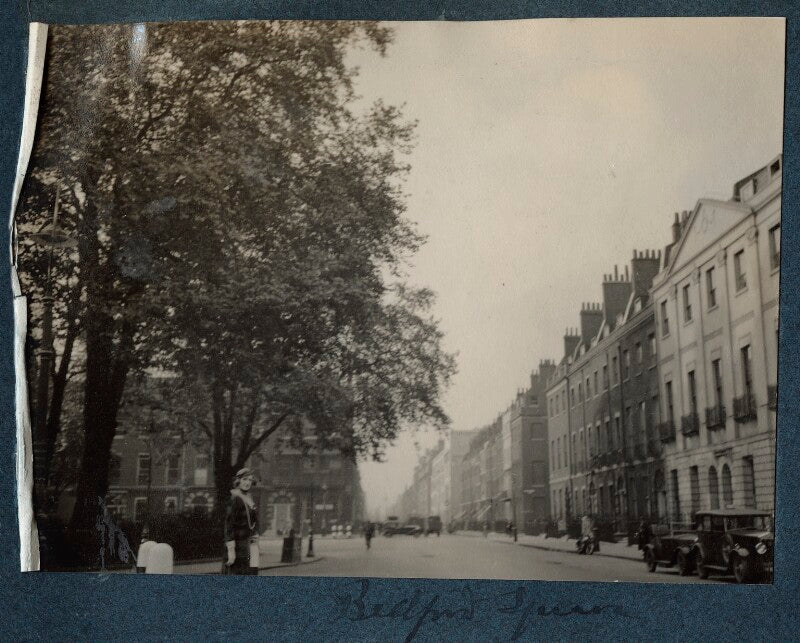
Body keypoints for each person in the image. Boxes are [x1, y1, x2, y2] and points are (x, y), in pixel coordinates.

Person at [224, 467, 260, 575]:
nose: (247, 483)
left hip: (250, 543)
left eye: (250, 480)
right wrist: (231, 550)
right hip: (239, 545)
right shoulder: (235, 497)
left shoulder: (249, 497)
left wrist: (255, 534)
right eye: (245, 479)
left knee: (252, 573)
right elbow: (229, 523)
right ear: (238, 480)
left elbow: (253, 520)